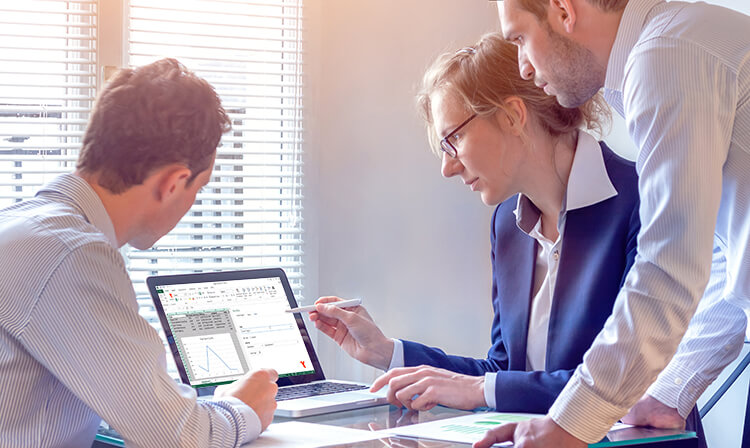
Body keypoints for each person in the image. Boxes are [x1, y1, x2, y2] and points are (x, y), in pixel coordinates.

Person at [310, 32, 702, 442]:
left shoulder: (645, 200)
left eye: (453, 140)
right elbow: (504, 373)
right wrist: (387, 352)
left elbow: (629, 386)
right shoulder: (507, 225)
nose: (447, 167)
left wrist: (481, 389)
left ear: (512, 115)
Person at [474, 1, 750, 447]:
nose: (523, 68)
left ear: (563, 10)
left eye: (521, 38)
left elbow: (669, 268)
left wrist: (571, 423)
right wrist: (668, 392)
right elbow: (728, 261)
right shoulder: (674, 45)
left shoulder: (666, 54)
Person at [0, 59, 278, 447]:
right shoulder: (71, 255)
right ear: (174, 182)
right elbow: (181, 439)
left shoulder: (24, 227)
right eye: (197, 189)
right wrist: (241, 408)